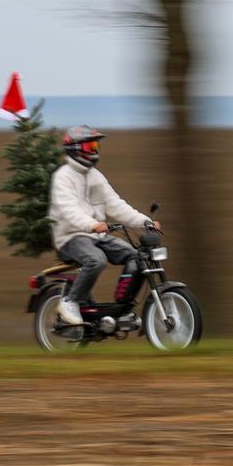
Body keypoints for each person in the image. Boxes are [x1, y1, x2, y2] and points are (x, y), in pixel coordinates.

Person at [48, 125, 160, 325]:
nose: (95, 150)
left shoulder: (95, 176)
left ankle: (123, 308)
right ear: (76, 148)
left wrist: (146, 222)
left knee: (137, 257)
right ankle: (69, 302)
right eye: (90, 145)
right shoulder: (62, 176)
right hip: (71, 237)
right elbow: (69, 211)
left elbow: (116, 206)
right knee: (96, 260)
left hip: (97, 236)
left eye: (96, 145)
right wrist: (92, 225)